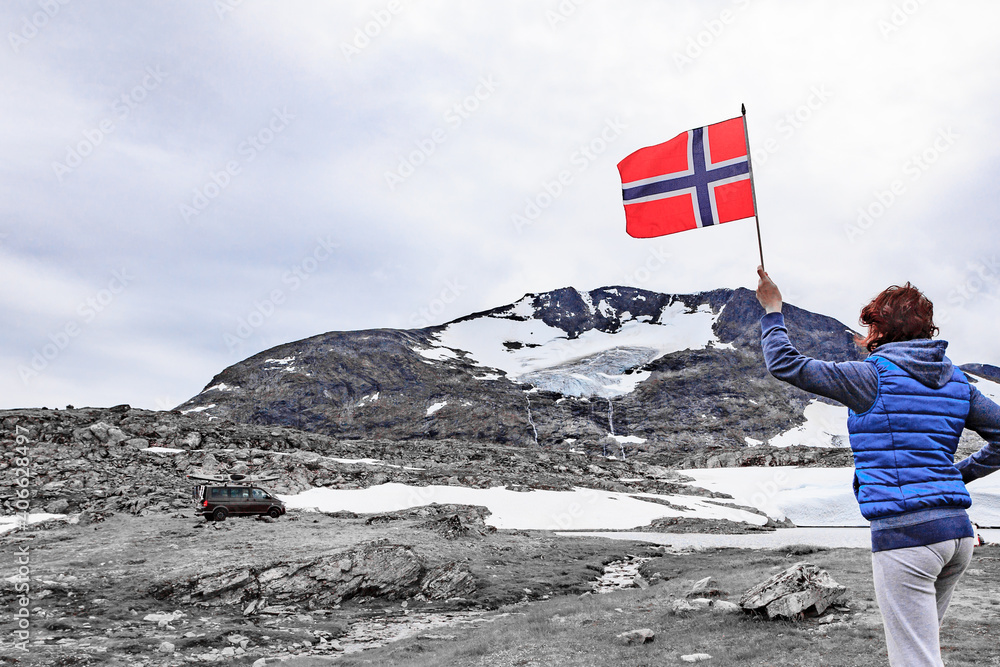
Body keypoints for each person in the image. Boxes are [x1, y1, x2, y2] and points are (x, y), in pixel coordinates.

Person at [754, 266, 1000, 667]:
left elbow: (785, 363)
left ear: (882, 330)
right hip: (956, 534)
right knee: (924, 652)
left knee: (913, 660)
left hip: (908, 536)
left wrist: (772, 308)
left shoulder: (870, 377)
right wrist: (956, 475)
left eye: (871, 326)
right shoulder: (957, 383)